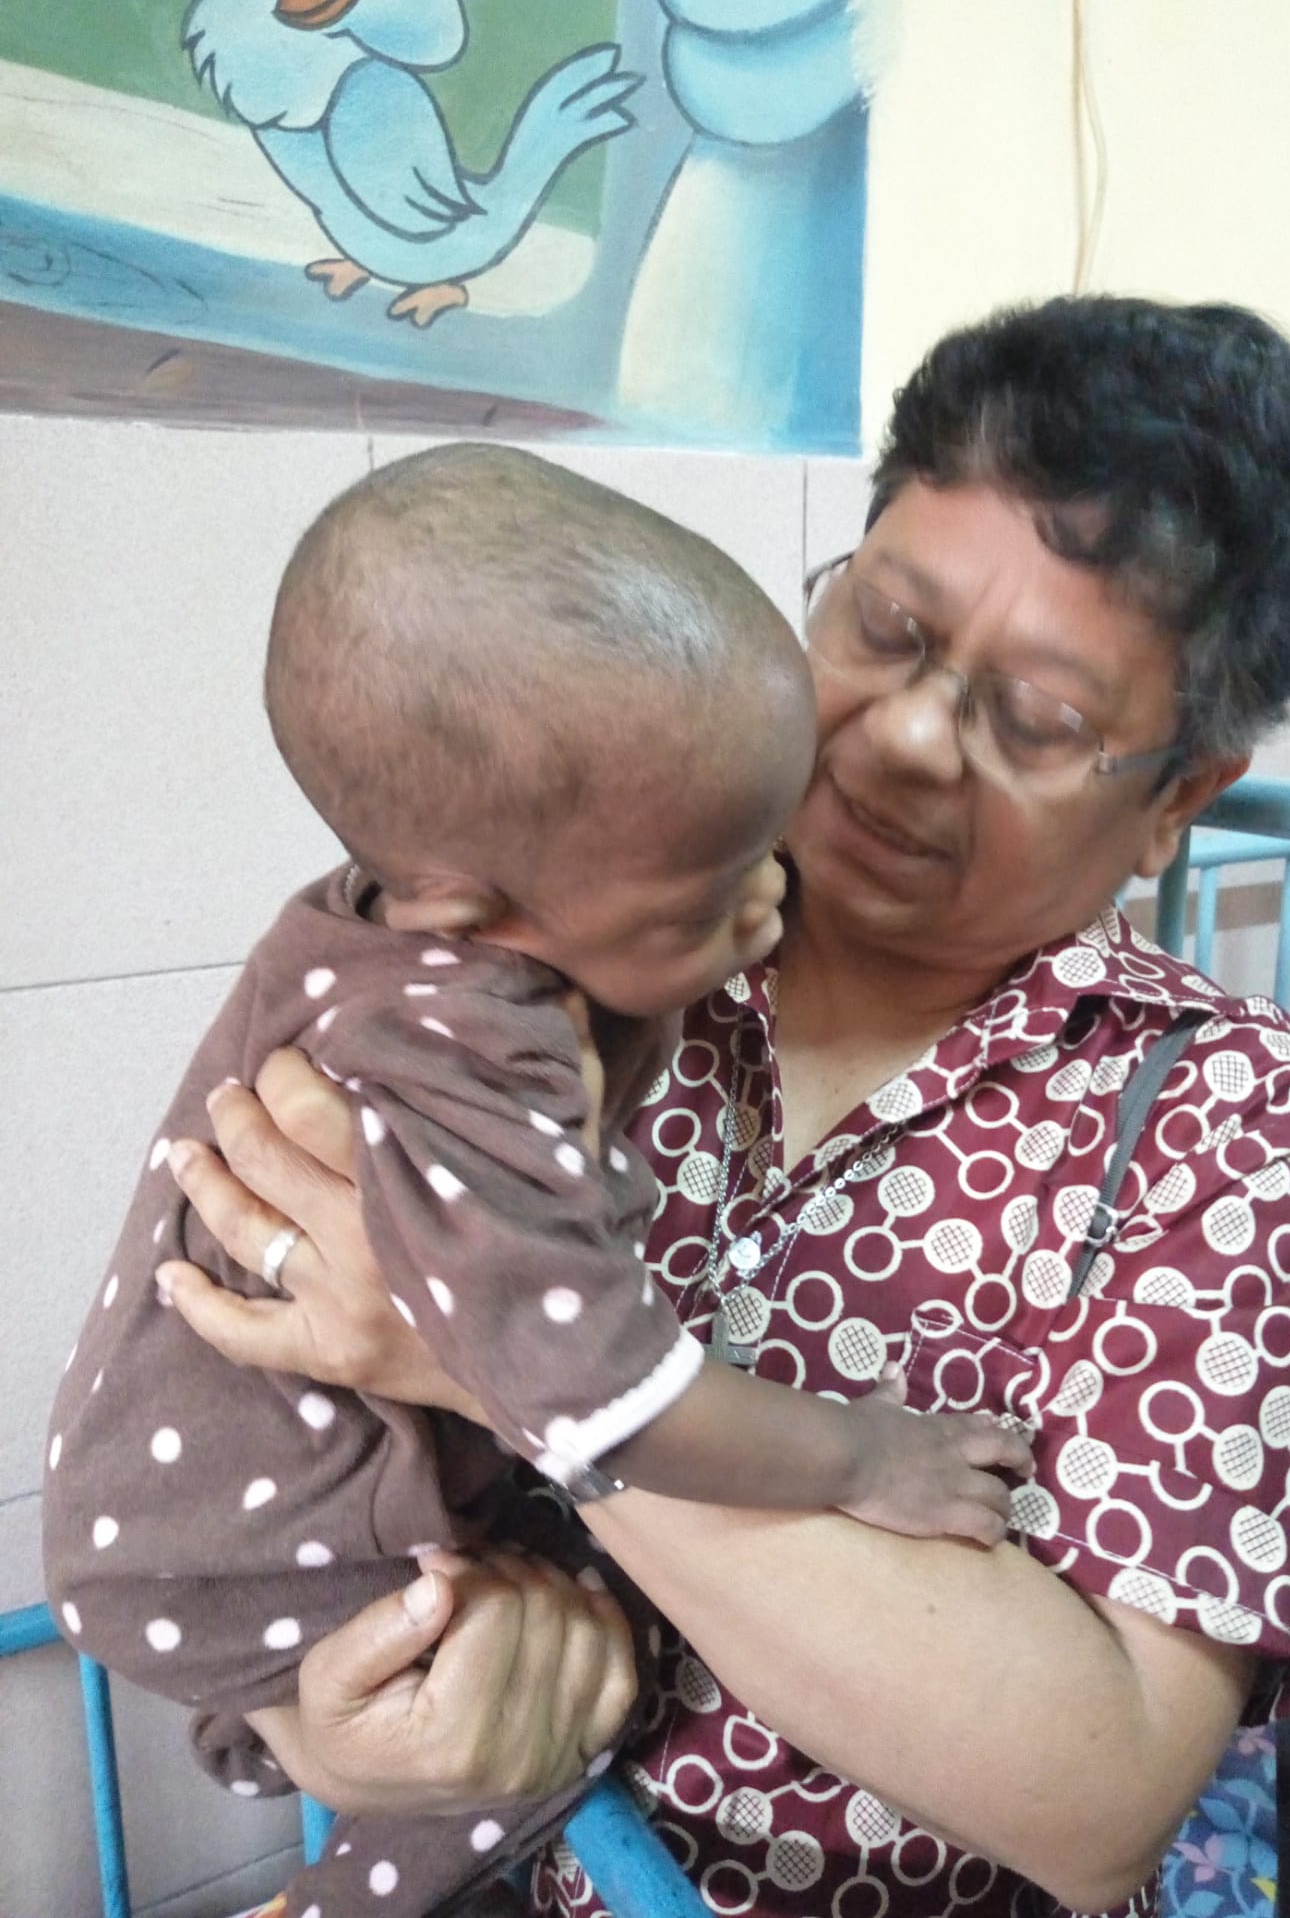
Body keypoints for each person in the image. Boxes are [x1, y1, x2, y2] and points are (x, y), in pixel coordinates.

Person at [155, 296, 1290, 1918]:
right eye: (888, 626)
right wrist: (343, 1730)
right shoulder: (553, 937)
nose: (911, 739)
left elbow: (1100, 1798)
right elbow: (251, 1432)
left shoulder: (1214, 1116)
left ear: (1176, 803)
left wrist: (494, 1358)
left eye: (1039, 720)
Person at [43, 445, 1037, 1918]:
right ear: (475, 904)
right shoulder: (447, 1048)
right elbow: (609, 1402)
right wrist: (863, 1459)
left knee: (555, 1653)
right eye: (707, 897)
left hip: (208, 1510)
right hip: (225, 1551)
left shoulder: (392, 921)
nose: (769, 901)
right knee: (559, 1709)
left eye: (767, 846)